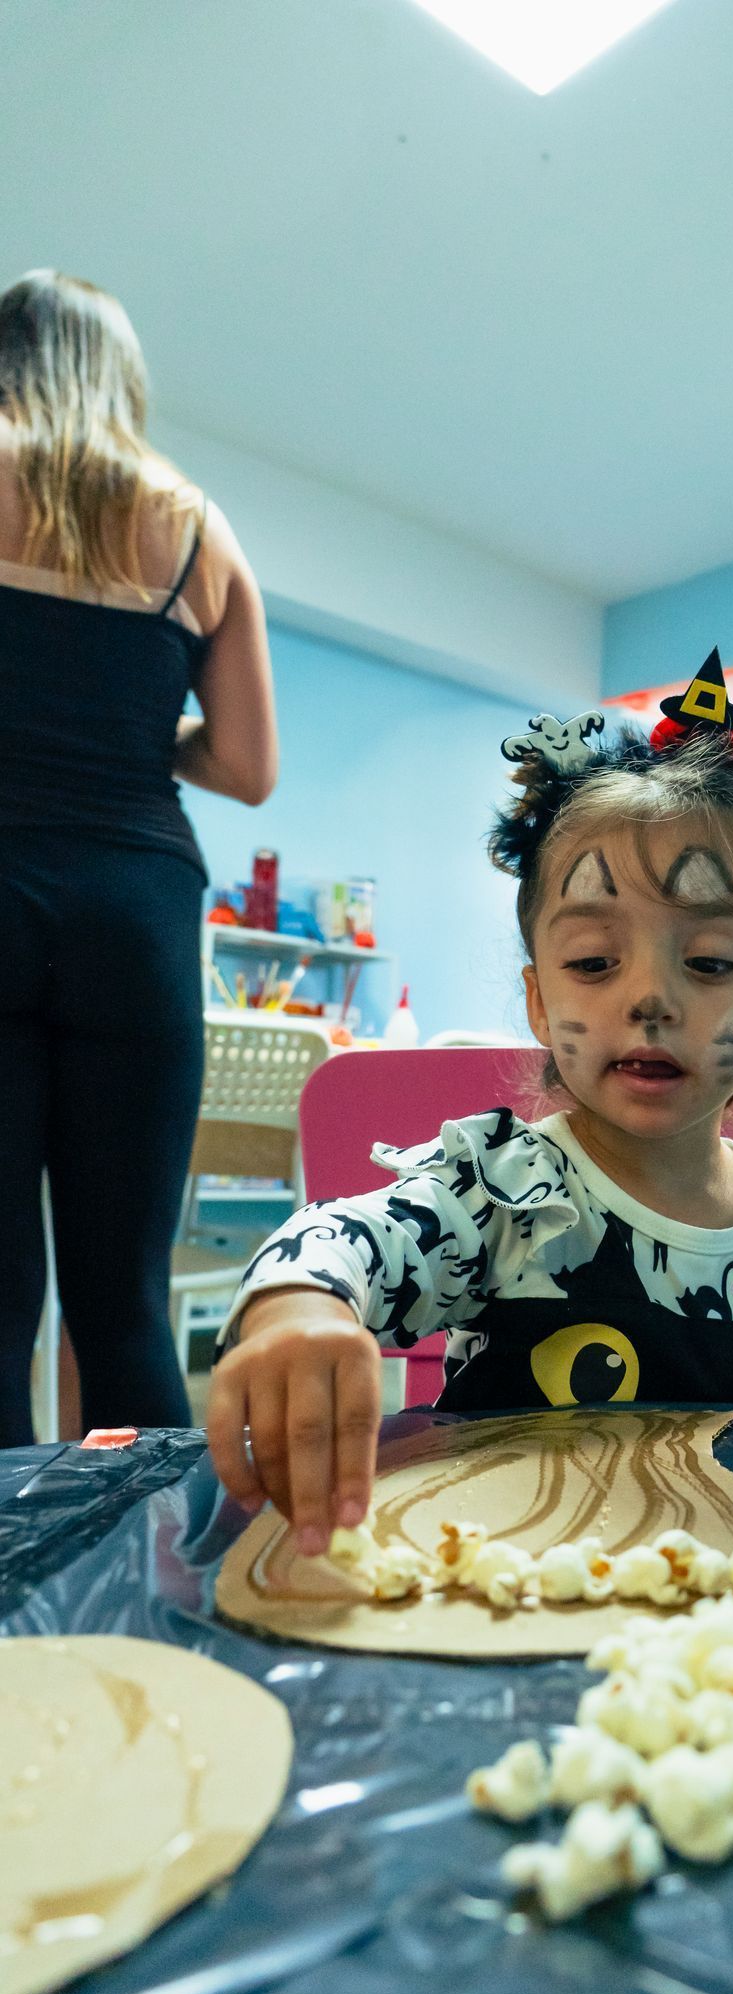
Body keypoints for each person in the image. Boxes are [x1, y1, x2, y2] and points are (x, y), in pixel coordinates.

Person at [208, 654, 733, 1554]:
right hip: (504, 1590)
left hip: (725, 1632)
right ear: (538, 1001)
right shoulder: (505, 1193)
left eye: (711, 963)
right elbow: (339, 1235)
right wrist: (300, 1307)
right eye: (595, 963)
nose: (648, 1000)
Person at [0, 270, 277, 1446]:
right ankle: (139, 1587)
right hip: (137, 909)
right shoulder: (197, 525)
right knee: (124, 1311)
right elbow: (248, 763)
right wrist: (124, 727)